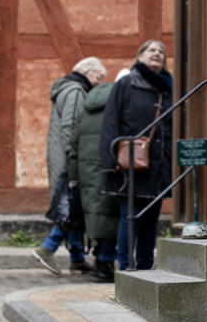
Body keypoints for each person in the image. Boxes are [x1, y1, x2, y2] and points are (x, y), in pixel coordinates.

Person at [100, 39, 173, 270]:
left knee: (151, 221)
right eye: (152, 50)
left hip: (158, 165)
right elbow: (110, 123)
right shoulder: (126, 83)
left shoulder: (167, 88)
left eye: (161, 51)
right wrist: (110, 162)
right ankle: (125, 268)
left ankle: (145, 267)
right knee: (129, 219)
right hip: (128, 164)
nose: (157, 53)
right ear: (140, 55)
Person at [33, 60, 91, 274]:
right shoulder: (76, 90)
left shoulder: (65, 88)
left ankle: (77, 257)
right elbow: (70, 126)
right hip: (69, 161)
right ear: (87, 72)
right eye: (98, 77)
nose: (98, 82)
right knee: (71, 205)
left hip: (60, 159)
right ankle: (47, 248)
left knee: (72, 206)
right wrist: (74, 156)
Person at [69, 58, 120, 282]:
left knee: (97, 214)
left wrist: (73, 177)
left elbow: (73, 145)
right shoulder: (116, 106)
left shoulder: (85, 107)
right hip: (109, 168)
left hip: (86, 172)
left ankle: (101, 256)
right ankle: (105, 262)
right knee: (110, 214)